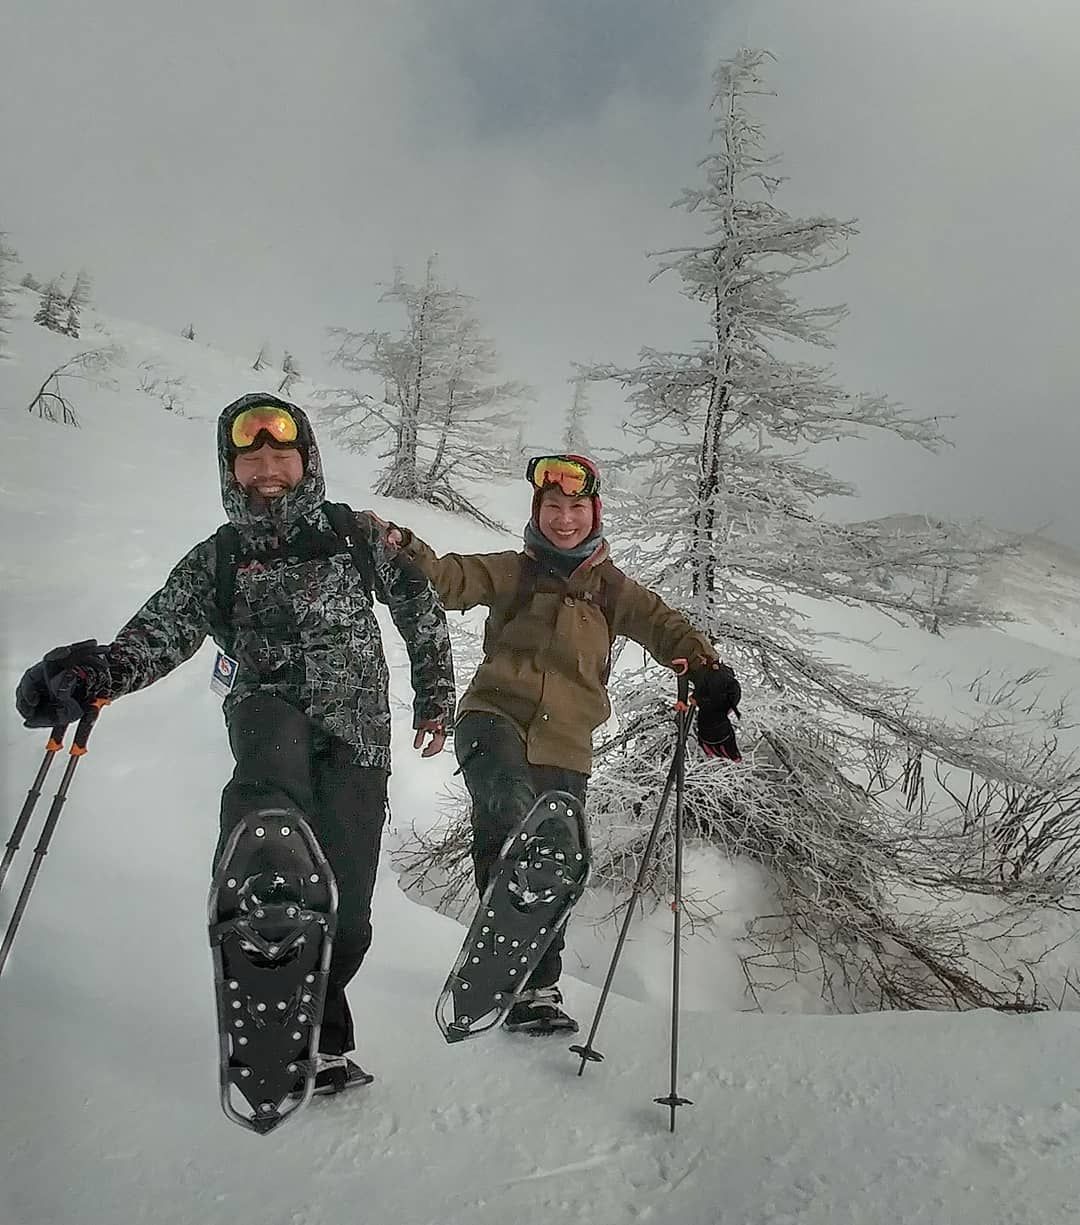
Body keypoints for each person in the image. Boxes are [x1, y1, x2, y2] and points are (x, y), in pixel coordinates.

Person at [15, 393, 456, 1092]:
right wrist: (95, 674)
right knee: (268, 801)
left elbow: (418, 604)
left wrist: (435, 696)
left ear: (307, 460)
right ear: (231, 469)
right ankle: (258, 894)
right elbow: (160, 630)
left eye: (282, 454)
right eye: (251, 458)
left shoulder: (353, 533)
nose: (267, 469)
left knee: (348, 919)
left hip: (358, 737)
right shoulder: (218, 557)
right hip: (267, 709)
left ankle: (319, 1037)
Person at [384, 454, 741, 1034]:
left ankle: (536, 988)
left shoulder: (612, 590)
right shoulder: (515, 571)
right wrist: (404, 546)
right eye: (552, 507)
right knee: (508, 812)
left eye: (576, 507)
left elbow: (665, 627)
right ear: (537, 511)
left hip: (566, 743)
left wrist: (707, 671)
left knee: (556, 855)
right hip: (494, 718)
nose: (564, 519)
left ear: (594, 513)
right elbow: (450, 579)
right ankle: (500, 967)